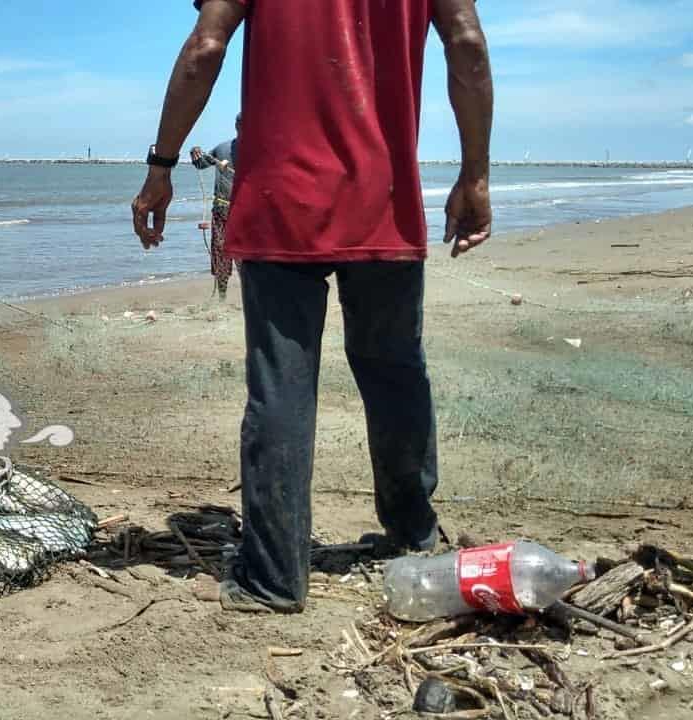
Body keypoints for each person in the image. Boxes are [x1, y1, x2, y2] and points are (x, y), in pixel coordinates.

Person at [131, 0, 493, 614]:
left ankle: (273, 579)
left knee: (281, 385)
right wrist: (475, 174)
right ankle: (413, 535)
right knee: (395, 372)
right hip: (384, 194)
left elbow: (205, 48)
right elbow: (466, 44)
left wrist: (161, 165)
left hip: (281, 200)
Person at [190, 113, 240, 300]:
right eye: (239, 124)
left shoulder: (256, 150)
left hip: (244, 213)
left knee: (246, 257)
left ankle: (250, 298)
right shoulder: (222, 148)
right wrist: (195, 153)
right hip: (221, 210)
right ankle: (222, 296)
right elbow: (201, 164)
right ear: (236, 126)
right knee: (220, 252)